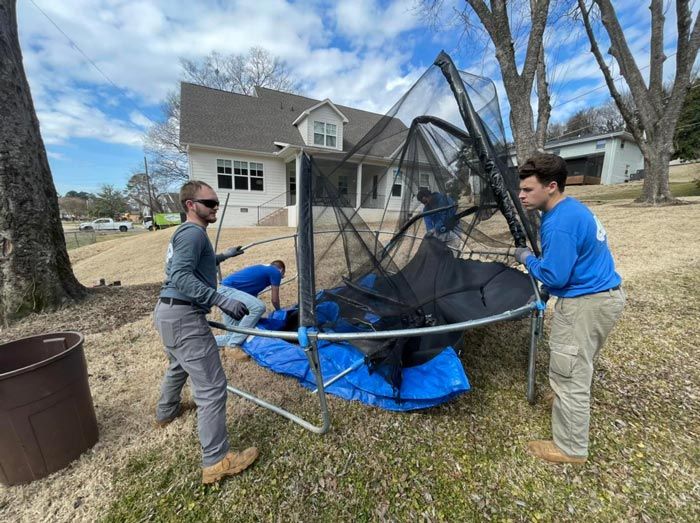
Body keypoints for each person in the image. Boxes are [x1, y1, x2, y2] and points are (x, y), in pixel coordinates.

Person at [515, 153, 625, 464]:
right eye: (521, 189)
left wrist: (525, 257)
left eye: (528, 189)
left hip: (585, 304)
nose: (521, 195)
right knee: (578, 362)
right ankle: (567, 405)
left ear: (551, 186)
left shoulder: (559, 224)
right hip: (606, 297)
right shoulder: (572, 208)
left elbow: (554, 275)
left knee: (569, 374)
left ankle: (570, 448)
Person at [153, 180, 259, 484]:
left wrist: (223, 255)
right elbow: (180, 275)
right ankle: (216, 460)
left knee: (177, 366)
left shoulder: (189, 235)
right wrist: (221, 299)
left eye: (216, 203)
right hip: (184, 317)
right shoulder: (193, 233)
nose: (215, 208)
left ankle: (166, 412)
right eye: (209, 203)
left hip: (168, 313)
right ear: (190, 205)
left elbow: (195, 264)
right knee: (212, 389)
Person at [215, 261, 286, 359]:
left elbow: (249, 303)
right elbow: (274, 299)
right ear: (281, 270)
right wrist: (279, 311)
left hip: (223, 295)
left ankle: (200, 343)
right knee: (259, 307)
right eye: (283, 274)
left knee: (233, 335)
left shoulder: (261, 271)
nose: (282, 277)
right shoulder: (275, 272)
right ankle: (232, 346)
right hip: (228, 292)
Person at [416, 188, 461, 255]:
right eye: (423, 203)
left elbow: (447, 215)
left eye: (425, 201)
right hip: (440, 233)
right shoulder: (426, 209)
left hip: (453, 229)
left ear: (429, 195)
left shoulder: (443, 199)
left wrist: (438, 227)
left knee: (454, 253)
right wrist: (430, 231)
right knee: (440, 255)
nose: (425, 204)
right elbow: (428, 223)